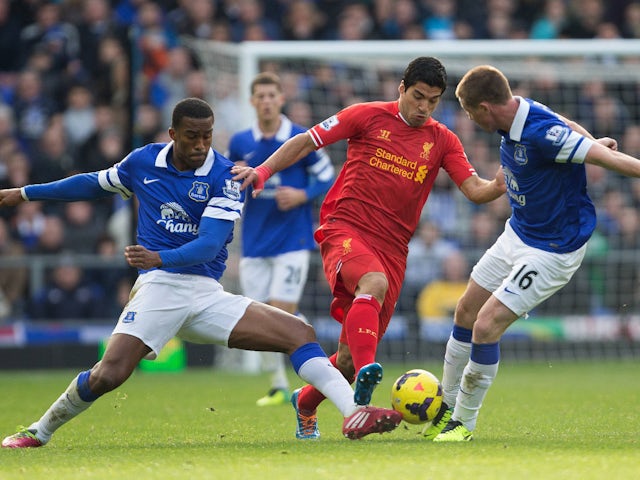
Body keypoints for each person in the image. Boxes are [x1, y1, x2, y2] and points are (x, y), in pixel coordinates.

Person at [0, 97, 401, 449]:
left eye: (207, 136)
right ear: (173, 133)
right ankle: (40, 430)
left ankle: (353, 413)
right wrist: (25, 193)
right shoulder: (142, 162)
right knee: (111, 374)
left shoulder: (225, 178)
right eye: (192, 136)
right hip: (160, 289)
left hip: (205, 293)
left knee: (300, 334)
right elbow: (92, 183)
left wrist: (159, 256)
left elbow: (209, 245)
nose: (200, 145)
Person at [232, 57, 507, 439]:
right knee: (372, 285)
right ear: (401, 88)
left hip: (394, 248)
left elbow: (474, 189)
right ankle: (364, 387)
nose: (423, 107)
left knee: (345, 358)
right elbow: (305, 141)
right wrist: (262, 171)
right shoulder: (365, 116)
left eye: (432, 100)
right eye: (417, 97)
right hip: (346, 228)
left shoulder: (443, 140)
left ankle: (307, 401)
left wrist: (498, 184)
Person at [425, 65, 640, 443]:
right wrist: (594, 139)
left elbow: (612, 162)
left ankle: (463, 423)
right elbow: (568, 122)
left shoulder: (541, 133)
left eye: (472, 113)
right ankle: (445, 405)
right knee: (465, 310)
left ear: (487, 108)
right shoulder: (522, 109)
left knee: (486, 325)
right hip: (517, 232)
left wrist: (596, 149)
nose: (471, 121)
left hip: (552, 249)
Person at [227, 72, 335, 407]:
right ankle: (278, 384)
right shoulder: (241, 142)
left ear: (281, 99)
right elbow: (234, 185)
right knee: (260, 320)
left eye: (272, 95)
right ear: (252, 101)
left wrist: (303, 194)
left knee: (281, 310)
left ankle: (321, 362)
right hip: (256, 242)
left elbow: (328, 177)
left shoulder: (300, 137)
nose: (267, 101)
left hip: (293, 240)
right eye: (260, 96)